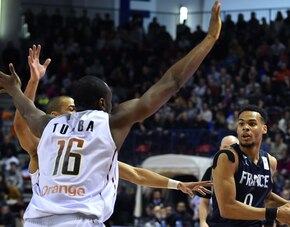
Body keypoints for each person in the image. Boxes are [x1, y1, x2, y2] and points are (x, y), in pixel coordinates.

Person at [0, 1, 221, 226]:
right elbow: (172, 82)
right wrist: (210, 38)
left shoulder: (49, 125)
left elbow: (27, 112)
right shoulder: (108, 123)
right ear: (103, 102)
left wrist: (14, 89)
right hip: (81, 221)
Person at [13, 44, 211, 199]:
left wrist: (177, 184)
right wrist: (33, 82)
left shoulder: (93, 152)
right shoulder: (41, 146)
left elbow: (136, 174)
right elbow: (22, 124)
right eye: (72, 110)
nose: (79, 114)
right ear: (55, 117)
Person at [209, 105, 290, 227]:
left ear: (264, 129)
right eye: (241, 124)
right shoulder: (227, 157)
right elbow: (227, 208)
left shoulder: (270, 162)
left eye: (252, 124)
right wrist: (276, 213)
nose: (245, 128)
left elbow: (265, 197)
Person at [198, 135, 239, 227]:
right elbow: (204, 202)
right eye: (225, 147)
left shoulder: (247, 170)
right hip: (218, 223)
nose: (228, 151)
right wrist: (203, 222)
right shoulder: (211, 171)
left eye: (232, 147)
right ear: (220, 149)